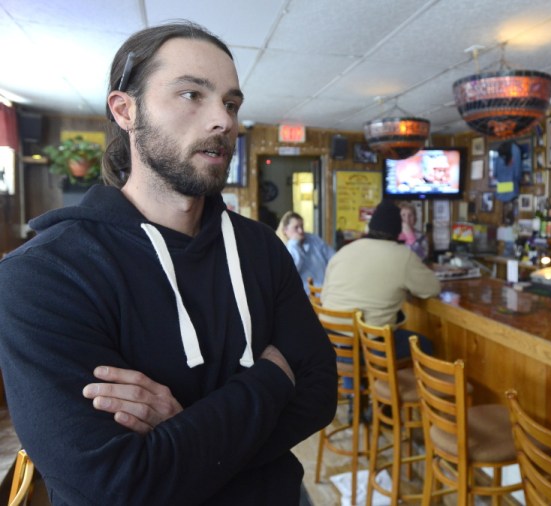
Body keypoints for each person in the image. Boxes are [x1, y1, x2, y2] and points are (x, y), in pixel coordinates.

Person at [0, 21, 337, 505]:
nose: (222, 119)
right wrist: (272, 379)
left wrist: (180, 433)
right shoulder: (44, 273)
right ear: (126, 110)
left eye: (231, 103)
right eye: (191, 95)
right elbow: (118, 484)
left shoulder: (261, 248)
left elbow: (320, 394)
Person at [322, 200, 440, 358]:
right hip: (370, 346)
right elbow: (433, 288)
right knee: (425, 345)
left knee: (351, 339)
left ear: (371, 227)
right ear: (398, 231)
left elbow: (324, 297)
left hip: (330, 343)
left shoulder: (344, 251)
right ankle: (381, 382)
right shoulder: (402, 256)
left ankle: (356, 381)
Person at [276, 210, 335, 294]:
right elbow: (293, 269)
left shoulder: (313, 239)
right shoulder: (283, 248)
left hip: (327, 288)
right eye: (296, 227)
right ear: (285, 230)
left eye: (302, 226)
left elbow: (332, 256)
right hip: (306, 295)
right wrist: (294, 244)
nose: (301, 231)